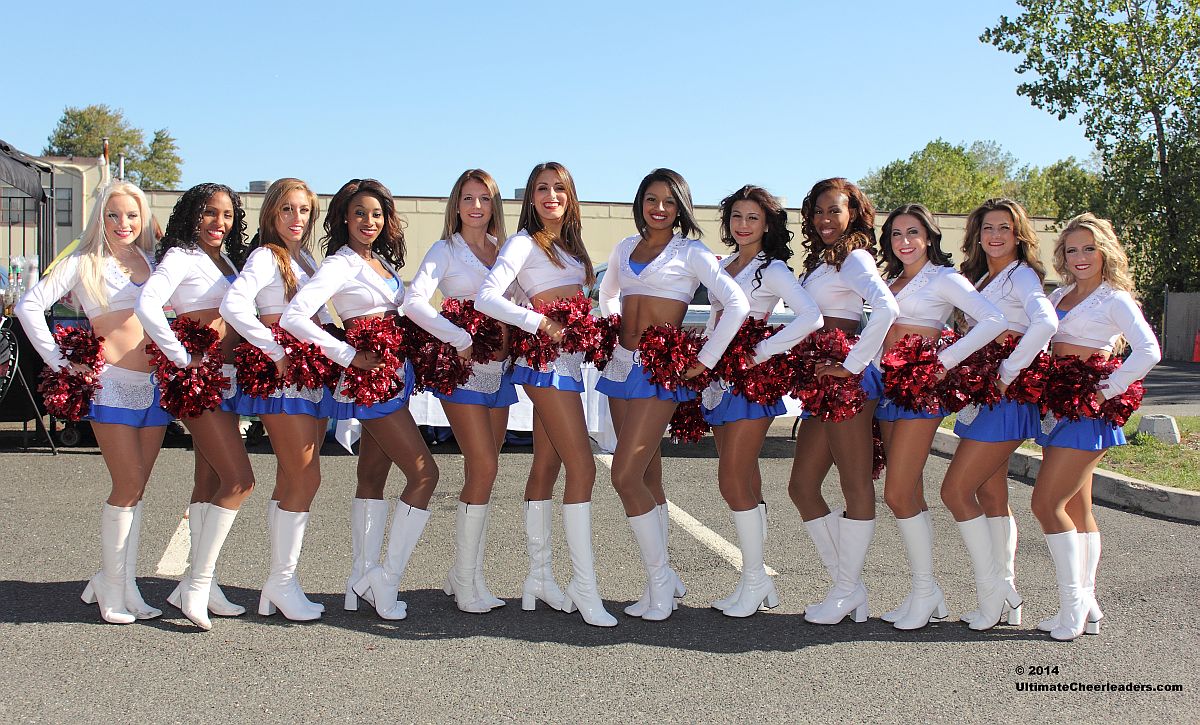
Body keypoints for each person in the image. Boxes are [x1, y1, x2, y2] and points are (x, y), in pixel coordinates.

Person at [282, 178, 439, 622]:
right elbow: (295, 316)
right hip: (372, 381)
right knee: (425, 475)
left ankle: (360, 578)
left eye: (376, 214)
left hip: (394, 375)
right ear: (344, 219)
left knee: (372, 475)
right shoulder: (340, 264)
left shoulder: (380, 262)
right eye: (359, 214)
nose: (369, 221)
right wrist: (348, 354)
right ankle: (386, 579)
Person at [595, 168, 749, 622]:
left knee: (624, 476)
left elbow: (736, 303)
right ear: (640, 202)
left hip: (659, 370)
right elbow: (607, 295)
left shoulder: (692, 252)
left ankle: (660, 581)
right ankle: (662, 580)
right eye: (651, 199)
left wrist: (705, 358)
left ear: (680, 206)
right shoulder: (625, 248)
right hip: (621, 366)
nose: (659, 208)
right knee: (647, 477)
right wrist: (611, 330)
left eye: (668, 201)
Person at [16, 181, 169, 624]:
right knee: (127, 485)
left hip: (154, 385)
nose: (123, 223)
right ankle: (112, 588)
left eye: (132, 215)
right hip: (110, 385)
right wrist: (61, 361)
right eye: (113, 215)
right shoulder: (83, 262)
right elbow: (29, 306)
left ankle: (122, 582)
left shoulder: (152, 260)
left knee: (138, 488)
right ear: (99, 218)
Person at [475, 162, 614, 627]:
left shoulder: (571, 246)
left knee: (547, 466)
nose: (551, 195)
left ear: (571, 196)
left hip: (568, 364)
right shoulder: (522, 243)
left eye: (559, 188)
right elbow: (487, 297)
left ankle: (538, 578)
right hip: (547, 365)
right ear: (530, 198)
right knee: (584, 467)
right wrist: (540, 322)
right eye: (541, 189)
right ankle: (584, 586)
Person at [874, 203, 1006, 631]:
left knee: (897, 493)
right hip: (889, 391)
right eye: (896, 234)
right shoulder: (891, 281)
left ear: (929, 236)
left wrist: (943, 361)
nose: (905, 241)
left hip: (921, 392)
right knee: (909, 494)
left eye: (913, 232)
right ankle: (925, 592)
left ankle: (975, 592)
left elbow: (993, 319)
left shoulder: (944, 278)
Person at [1031, 213, 1159, 641]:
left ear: (1104, 251)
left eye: (1089, 248)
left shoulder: (1115, 298)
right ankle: (1086, 606)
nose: (1080, 256)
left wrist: (1108, 390)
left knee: (1046, 504)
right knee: (1076, 508)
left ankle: (1072, 606)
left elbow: (1149, 350)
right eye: (1072, 250)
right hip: (1057, 406)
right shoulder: (1060, 293)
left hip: (1086, 410)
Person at [135, 183, 255, 631]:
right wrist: (181, 356)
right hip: (199, 382)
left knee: (209, 480)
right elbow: (148, 304)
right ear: (191, 215)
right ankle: (197, 585)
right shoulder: (181, 256)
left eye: (226, 215)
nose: (218, 223)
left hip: (228, 380)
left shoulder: (228, 260)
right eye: (209, 213)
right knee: (240, 479)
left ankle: (199, 581)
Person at [701, 185, 822, 617]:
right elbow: (716, 317)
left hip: (750, 380)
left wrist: (764, 350)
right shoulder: (723, 264)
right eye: (737, 216)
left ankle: (754, 580)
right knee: (745, 479)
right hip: (718, 376)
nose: (743, 224)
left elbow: (811, 316)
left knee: (732, 480)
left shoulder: (772, 269)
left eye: (753, 217)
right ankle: (757, 582)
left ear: (768, 223)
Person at [940, 198, 1056, 630]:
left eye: (1004, 227)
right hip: (984, 396)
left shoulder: (1020, 274)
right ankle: (1006, 594)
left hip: (1005, 397)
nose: (995, 235)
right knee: (991, 496)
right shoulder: (983, 277)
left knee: (955, 491)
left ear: (1018, 233)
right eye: (988, 227)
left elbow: (1045, 323)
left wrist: (1009, 370)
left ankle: (992, 593)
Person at [219, 178, 331, 620]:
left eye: (303, 210)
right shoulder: (267, 256)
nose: (296, 218)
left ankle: (278, 584)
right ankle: (282, 582)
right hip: (286, 378)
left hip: (310, 375)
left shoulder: (304, 258)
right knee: (306, 477)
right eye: (287, 209)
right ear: (271, 213)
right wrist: (275, 349)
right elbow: (233, 306)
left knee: (291, 477)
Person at [787, 178, 898, 626]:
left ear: (853, 214)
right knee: (801, 486)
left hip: (847, 382)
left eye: (834, 210)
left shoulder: (855, 258)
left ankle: (846, 590)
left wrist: (851, 365)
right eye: (818, 211)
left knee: (855, 484)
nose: (825, 219)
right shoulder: (825, 260)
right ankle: (848, 588)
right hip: (824, 382)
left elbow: (885, 308)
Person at [404, 169, 513, 613]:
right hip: (464, 372)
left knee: (485, 471)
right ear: (456, 204)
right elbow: (413, 301)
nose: (476, 206)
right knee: (483, 466)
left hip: (501, 372)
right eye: (467, 198)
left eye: (484, 198)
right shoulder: (445, 249)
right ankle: (467, 581)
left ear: (494, 204)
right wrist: (459, 337)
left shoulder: (505, 249)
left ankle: (464, 573)